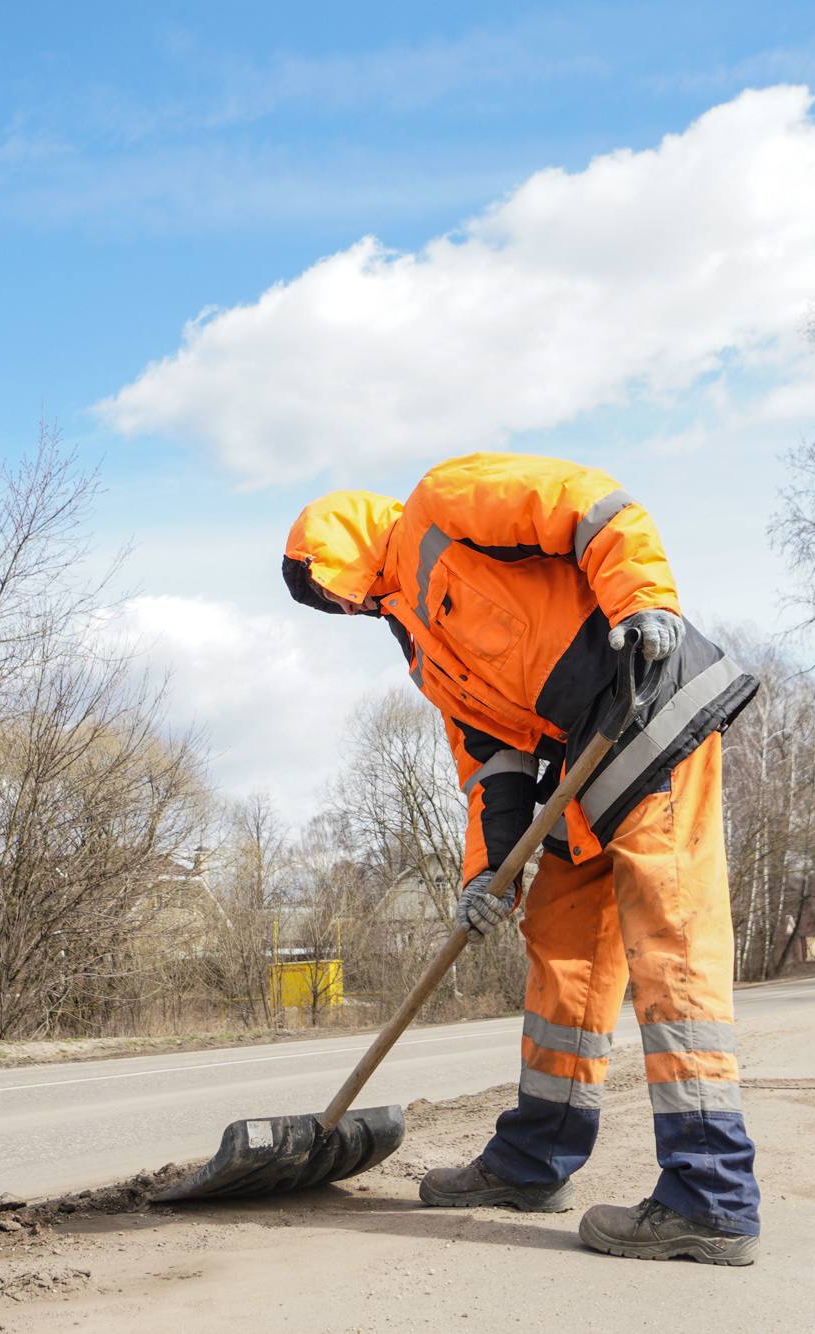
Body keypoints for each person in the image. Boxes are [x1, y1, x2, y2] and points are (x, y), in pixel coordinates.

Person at [280, 452, 761, 1264]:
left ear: (343, 555)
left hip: (649, 707)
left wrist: (645, 601)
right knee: (563, 961)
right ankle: (534, 1163)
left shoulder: (442, 506)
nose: (340, 605)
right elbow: (489, 766)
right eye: (330, 604)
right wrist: (485, 874)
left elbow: (593, 508)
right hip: (582, 775)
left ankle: (711, 1196)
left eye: (330, 589)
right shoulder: (424, 651)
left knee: (670, 952)